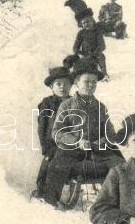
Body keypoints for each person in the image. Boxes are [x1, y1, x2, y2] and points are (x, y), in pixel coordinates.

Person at [42, 59, 123, 208]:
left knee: (122, 166)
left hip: (98, 151)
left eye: (94, 82)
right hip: (71, 151)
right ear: (77, 83)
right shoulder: (66, 105)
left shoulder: (100, 107)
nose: (90, 85)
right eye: (86, 81)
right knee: (56, 165)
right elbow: (57, 132)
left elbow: (110, 133)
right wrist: (76, 141)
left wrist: (101, 142)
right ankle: (51, 203)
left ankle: (121, 202)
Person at [32, 67, 73, 198]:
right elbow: (43, 127)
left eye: (66, 84)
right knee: (49, 162)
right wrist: (47, 148)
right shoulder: (47, 103)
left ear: (71, 85)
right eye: (58, 84)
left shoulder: (75, 102)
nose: (62, 87)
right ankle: (42, 191)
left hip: (72, 142)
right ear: (51, 87)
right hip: (53, 143)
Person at [73, 8, 108, 80]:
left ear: (92, 21)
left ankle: (104, 75)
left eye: (88, 22)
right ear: (81, 24)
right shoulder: (81, 33)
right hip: (84, 54)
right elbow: (76, 46)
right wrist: (79, 53)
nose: (86, 24)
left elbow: (102, 46)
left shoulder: (97, 32)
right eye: (84, 23)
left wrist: (94, 54)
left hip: (95, 54)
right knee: (73, 59)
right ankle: (75, 76)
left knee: (100, 57)